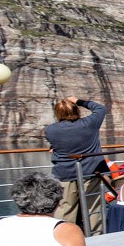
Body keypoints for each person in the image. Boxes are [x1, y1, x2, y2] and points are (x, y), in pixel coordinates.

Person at [44, 96, 109, 231]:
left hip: (65, 174)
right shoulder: (89, 123)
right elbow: (100, 109)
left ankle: (65, 238)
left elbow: (59, 145)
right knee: (93, 208)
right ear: (76, 110)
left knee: (66, 209)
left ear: (58, 114)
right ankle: (96, 239)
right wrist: (79, 101)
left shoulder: (51, 130)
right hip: (91, 171)